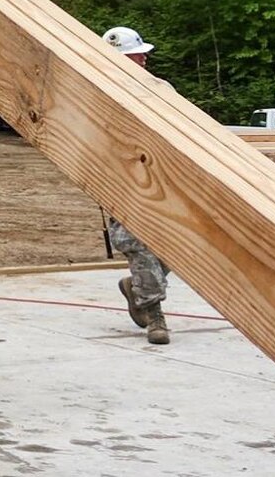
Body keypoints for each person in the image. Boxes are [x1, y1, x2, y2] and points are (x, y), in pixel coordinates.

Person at [102, 25, 175, 346]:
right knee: (138, 243)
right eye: (136, 55)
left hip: (165, 177)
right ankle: (154, 315)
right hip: (124, 182)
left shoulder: (161, 89)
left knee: (180, 245)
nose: (144, 59)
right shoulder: (100, 94)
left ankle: (137, 287)